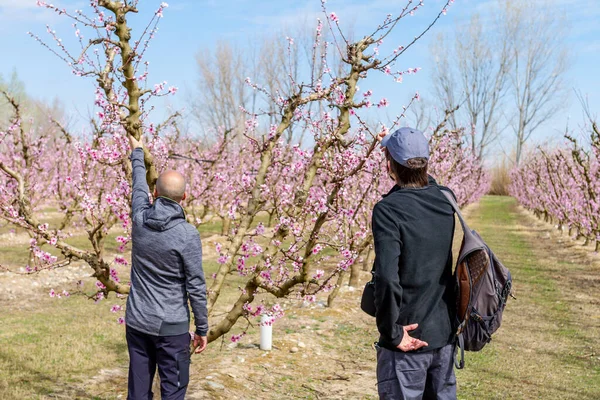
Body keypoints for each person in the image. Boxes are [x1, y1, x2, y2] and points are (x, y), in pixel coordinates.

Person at [372, 127, 457, 400]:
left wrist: (392, 333)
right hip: (444, 335)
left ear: (389, 165)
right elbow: (427, 183)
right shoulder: (446, 199)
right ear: (427, 163)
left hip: (407, 341)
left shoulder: (388, 210)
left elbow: (386, 277)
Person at [126, 135, 209, 400]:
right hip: (172, 329)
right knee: (173, 392)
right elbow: (195, 286)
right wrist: (202, 329)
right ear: (185, 197)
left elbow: (138, 185)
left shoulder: (140, 218)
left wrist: (137, 152)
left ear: (155, 194)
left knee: (138, 393)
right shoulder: (187, 234)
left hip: (137, 322)